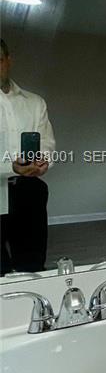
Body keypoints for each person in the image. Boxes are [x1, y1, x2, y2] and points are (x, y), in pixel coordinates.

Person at [0, 38, 56, 274]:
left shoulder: (34, 103)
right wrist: (11, 166)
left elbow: (47, 143)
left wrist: (42, 162)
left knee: (32, 266)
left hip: (29, 191)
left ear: (9, 61)